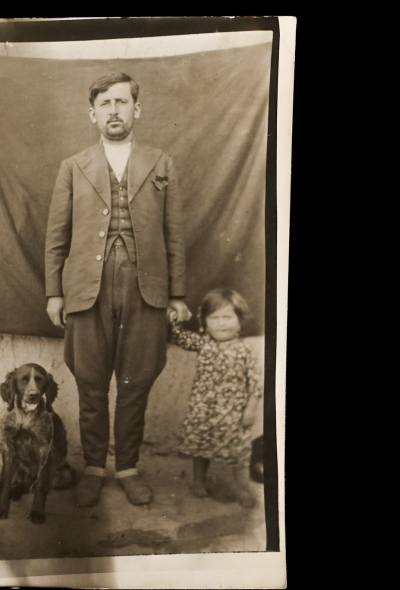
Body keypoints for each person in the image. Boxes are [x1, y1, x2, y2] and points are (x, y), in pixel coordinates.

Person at [45, 72, 191, 507]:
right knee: (90, 381)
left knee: (136, 381)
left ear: (136, 109)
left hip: (146, 289)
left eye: (121, 102)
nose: (114, 110)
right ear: (92, 114)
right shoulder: (73, 167)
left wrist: (177, 294)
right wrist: (55, 293)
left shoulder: (161, 163)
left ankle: (127, 468)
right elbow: (57, 236)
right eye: (105, 103)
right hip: (86, 288)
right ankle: (94, 467)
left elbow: (174, 234)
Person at [168, 288, 262, 508]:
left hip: (232, 413)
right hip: (203, 410)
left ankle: (242, 487)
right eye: (215, 318)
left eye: (227, 317)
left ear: (239, 321)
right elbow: (179, 338)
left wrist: (250, 409)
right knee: (201, 447)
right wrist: (174, 322)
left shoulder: (245, 350)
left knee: (239, 453)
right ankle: (199, 480)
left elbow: (256, 383)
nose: (221, 324)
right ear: (205, 323)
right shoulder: (203, 344)